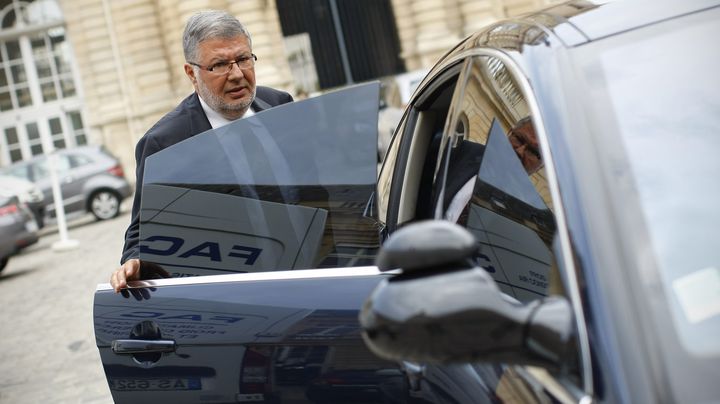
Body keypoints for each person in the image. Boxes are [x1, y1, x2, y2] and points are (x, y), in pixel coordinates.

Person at [110, 10, 293, 292]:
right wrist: (134, 260)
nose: (236, 75)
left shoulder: (281, 105)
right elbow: (143, 230)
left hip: (306, 278)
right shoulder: (164, 143)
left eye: (243, 59)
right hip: (236, 298)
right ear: (191, 74)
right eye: (219, 65)